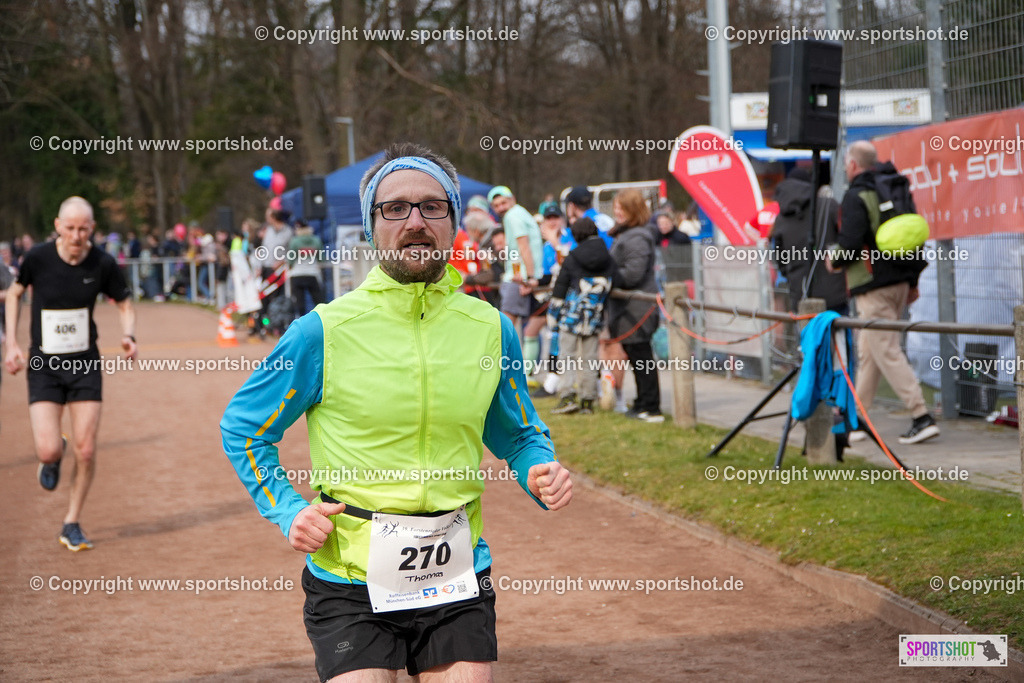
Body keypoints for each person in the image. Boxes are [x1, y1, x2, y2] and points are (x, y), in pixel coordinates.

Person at [220, 142, 572, 682]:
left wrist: (537, 469)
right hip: (349, 582)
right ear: (370, 226)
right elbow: (244, 428)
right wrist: (288, 510)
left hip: (456, 575)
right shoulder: (322, 331)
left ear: (454, 221)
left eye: (432, 206)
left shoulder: (490, 328)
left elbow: (518, 433)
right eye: (395, 208)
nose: (415, 222)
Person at [4, 196, 137, 551]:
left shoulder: (103, 262)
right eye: (70, 228)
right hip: (44, 367)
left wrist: (129, 334)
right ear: (58, 226)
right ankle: (53, 455)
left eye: (83, 229)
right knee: (48, 451)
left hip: (85, 366)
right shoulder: (37, 258)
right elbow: (14, 295)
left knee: (87, 450)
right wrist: (12, 344)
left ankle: (72, 522)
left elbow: (124, 302)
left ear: (92, 228)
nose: (77, 235)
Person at [828, 140, 938, 445]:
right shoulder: (895, 186)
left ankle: (921, 415)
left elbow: (850, 244)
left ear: (852, 164)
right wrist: (912, 282)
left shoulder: (856, 195)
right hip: (901, 281)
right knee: (870, 353)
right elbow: (911, 236)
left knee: (885, 349)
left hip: (872, 285)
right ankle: (856, 420)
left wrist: (833, 260)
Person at [549, 217, 616, 415]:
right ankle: (588, 400)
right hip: (594, 316)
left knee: (567, 356)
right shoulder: (608, 257)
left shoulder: (573, 256)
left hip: (572, 315)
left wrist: (553, 315)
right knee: (590, 358)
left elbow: (561, 286)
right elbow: (616, 280)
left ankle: (567, 397)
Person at [608, 189, 663, 423]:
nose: (617, 212)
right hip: (628, 308)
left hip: (638, 307)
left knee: (642, 357)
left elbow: (633, 274)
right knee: (635, 356)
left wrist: (607, 276)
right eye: (616, 207)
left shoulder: (638, 237)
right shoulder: (627, 234)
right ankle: (642, 402)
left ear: (633, 210)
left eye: (621, 208)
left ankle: (651, 406)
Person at [770, 167, 847, 314]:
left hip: (801, 296)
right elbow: (846, 240)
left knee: (807, 329)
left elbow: (780, 261)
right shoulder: (828, 205)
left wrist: (793, 277)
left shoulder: (780, 219)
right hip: (835, 294)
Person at [488, 185, 545, 371]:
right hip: (524, 276)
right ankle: (525, 373)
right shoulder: (521, 213)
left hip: (518, 278)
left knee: (505, 329)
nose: (501, 208)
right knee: (527, 330)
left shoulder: (513, 216)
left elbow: (523, 246)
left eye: (503, 203)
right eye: (496, 205)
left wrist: (530, 278)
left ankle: (501, 371)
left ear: (512, 199)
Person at [286, 219, 325, 318]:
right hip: (313, 274)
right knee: (319, 302)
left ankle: (300, 323)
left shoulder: (294, 241)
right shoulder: (316, 240)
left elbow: (291, 260)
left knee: (299, 304)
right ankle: (322, 321)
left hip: (297, 274)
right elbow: (321, 259)